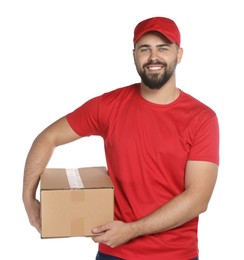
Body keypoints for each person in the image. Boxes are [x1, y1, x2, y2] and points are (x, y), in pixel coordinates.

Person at [22, 16, 219, 260]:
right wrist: (28, 199)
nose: (153, 57)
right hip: (114, 253)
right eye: (144, 49)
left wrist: (133, 230)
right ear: (134, 54)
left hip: (176, 254)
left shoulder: (201, 118)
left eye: (163, 48)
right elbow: (47, 138)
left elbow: (198, 199)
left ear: (179, 54)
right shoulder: (109, 106)